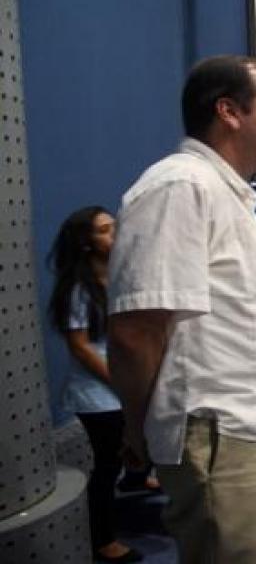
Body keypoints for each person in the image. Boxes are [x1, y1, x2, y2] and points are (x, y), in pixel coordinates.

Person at [107, 55, 256, 564]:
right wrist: (138, 427)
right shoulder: (181, 185)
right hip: (223, 432)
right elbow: (137, 328)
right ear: (229, 111)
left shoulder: (225, 194)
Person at [47, 206, 149, 564]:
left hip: (126, 380)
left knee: (146, 433)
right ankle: (102, 540)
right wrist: (122, 382)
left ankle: (137, 479)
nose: (117, 234)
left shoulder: (121, 277)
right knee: (107, 464)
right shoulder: (79, 290)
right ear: (86, 243)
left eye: (116, 226)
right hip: (98, 393)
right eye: (106, 230)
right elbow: (80, 346)